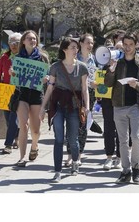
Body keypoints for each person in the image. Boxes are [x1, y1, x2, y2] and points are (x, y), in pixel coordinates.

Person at [104, 33, 139, 184]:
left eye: (130, 45)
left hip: (135, 105)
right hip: (118, 106)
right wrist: (111, 70)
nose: (127, 48)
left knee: (136, 138)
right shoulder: (117, 62)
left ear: (136, 46)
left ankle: (136, 168)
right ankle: (125, 170)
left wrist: (138, 85)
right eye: (125, 45)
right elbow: (107, 84)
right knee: (122, 140)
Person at [40, 37, 89, 183]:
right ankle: (57, 171)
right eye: (73, 47)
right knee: (59, 139)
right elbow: (50, 88)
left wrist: (86, 106)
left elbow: (85, 89)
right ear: (64, 49)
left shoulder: (82, 67)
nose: (76, 50)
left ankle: (75, 161)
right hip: (58, 106)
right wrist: (43, 107)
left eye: (76, 48)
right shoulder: (55, 67)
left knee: (72, 140)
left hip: (74, 106)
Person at [12, 30, 49, 167]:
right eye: (29, 38)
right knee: (23, 125)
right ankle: (21, 157)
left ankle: (34, 146)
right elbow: (14, 77)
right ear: (23, 41)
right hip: (22, 94)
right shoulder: (17, 58)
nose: (32, 41)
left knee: (35, 130)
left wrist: (46, 79)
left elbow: (49, 75)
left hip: (36, 95)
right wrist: (12, 72)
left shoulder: (42, 58)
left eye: (34, 39)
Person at [64, 33, 97, 166]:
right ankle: (70, 154)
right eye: (88, 42)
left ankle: (79, 154)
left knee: (83, 123)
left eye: (92, 43)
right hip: (73, 92)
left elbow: (97, 77)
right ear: (81, 44)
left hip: (89, 93)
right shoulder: (73, 57)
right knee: (71, 123)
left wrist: (96, 84)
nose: (90, 45)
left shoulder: (95, 60)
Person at [0, 32, 22, 154]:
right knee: (8, 119)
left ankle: (8, 144)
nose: (14, 45)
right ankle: (16, 137)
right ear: (8, 44)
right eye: (11, 43)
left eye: (17, 43)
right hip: (5, 91)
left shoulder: (24, 57)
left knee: (13, 117)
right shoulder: (4, 58)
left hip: (19, 91)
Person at [101, 38, 122, 170]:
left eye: (121, 49)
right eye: (116, 49)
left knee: (121, 131)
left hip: (122, 102)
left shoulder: (127, 65)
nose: (118, 52)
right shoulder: (106, 66)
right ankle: (109, 156)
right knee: (108, 130)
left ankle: (119, 158)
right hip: (108, 102)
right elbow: (103, 83)